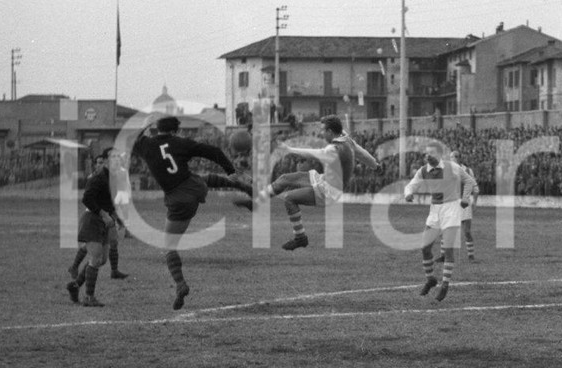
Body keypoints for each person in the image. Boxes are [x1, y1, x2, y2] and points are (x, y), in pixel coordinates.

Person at [132, 115, 253, 310]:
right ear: (175, 131)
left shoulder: (146, 145)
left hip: (178, 199)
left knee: (169, 247)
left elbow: (135, 137)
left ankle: (180, 285)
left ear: (157, 129)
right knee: (203, 178)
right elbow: (213, 151)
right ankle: (241, 186)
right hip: (194, 186)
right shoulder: (181, 142)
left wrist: (146, 123)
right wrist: (230, 169)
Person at [255, 114, 379, 250]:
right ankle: (257, 201)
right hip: (323, 179)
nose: (321, 133)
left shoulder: (333, 150)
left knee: (289, 198)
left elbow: (312, 153)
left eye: (323, 130)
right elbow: (363, 154)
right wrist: (375, 166)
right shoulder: (347, 140)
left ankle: (300, 237)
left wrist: (289, 150)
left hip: (328, 191)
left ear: (330, 132)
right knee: (285, 178)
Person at [404, 140, 478, 302]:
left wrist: (465, 197)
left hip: (451, 210)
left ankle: (445, 285)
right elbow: (410, 185)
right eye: (426, 154)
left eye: (431, 153)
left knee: (449, 250)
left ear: (439, 155)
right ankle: (431, 279)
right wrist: (408, 193)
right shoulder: (424, 171)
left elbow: (469, 181)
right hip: (435, 211)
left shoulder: (452, 167)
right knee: (425, 248)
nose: (427, 156)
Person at [66, 148, 123, 307]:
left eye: (119, 157)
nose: (117, 160)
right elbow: (87, 199)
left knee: (102, 259)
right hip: (92, 220)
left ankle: (75, 286)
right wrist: (103, 214)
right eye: (113, 158)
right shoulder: (98, 178)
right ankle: (89, 297)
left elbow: (110, 202)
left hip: (104, 221)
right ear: (105, 161)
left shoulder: (115, 178)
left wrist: (114, 217)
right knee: (96, 258)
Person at [449, 149, 478, 261]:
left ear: (459, 158)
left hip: (464, 201)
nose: (452, 159)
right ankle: (445, 255)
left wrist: (475, 201)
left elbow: (474, 187)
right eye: (451, 157)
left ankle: (471, 255)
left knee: (466, 231)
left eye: (455, 157)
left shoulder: (467, 170)